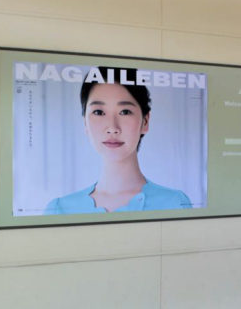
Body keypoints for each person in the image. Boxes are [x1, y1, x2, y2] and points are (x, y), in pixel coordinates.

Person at [44, 66, 191, 215]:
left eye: (125, 112)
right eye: (99, 112)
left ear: (145, 121)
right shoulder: (60, 209)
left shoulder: (175, 203)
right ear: (85, 123)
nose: (112, 128)